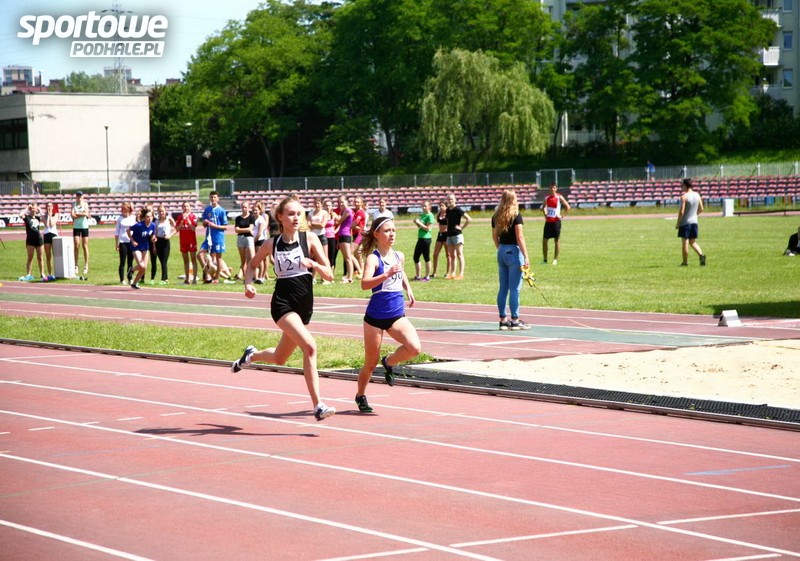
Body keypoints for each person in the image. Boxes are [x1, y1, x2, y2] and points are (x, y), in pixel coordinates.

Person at [230, 196, 336, 422]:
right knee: (310, 347)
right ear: (280, 217)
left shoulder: (310, 239)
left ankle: (251, 355)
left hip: (304, 306)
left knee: (280, 358)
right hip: (282, 304)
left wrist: (314, 264)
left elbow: (330, 275)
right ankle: (318, 405)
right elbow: (252, 265)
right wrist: (248, 283)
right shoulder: (272, 244)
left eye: (299, 213)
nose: (296, 217)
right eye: (291, 214)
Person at [354, 216, 421, 413]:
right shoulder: (373, 258)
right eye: (387, 231)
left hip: (396, 315)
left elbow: (401, 272)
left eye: (394, 230)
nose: (392, 234)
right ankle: (360, 395)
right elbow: (364, 284)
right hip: (375, 318)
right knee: (370, 363)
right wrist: (386, 274)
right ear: (376, 234)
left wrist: (408, 289)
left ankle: (389, 362)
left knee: (414, 348)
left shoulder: (399, 255)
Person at [492, 190, 532, 330]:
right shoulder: (516, 215)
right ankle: (515, 319)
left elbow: (494, 236)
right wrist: (526, 256)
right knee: (515, 288)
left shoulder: (496, 215)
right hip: (514, 251)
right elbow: (519, 237)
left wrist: (500, 248)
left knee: (503, 288)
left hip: (501, 250)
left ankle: (503, 320)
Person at [199, 191, 228, 284]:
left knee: (218, 258)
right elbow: (204, 224)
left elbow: (225, 227)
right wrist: (205, 223)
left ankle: (217, 278)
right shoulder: (207, 209)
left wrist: (214, 225)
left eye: (215, 197)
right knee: (199, 254)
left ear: (218, 198)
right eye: (211, 197)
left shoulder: (221, 211)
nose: (213, 199)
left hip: (218, 238)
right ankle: (207, 272)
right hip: (208, 238)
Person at [676, 178, 706, 267]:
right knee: (692, 242)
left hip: (685, 223)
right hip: (694, 222)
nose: (681, 187)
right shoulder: (697, 195)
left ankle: (685, 262)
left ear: (685, 185)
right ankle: (701, 255)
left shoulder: (684, 197)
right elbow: (701, 209)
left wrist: (678, 223)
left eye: (682, 185)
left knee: (685, 242)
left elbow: (681, 212)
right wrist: (694, 215)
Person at [127, 207, 156, 290]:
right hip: (136, 246)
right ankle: (131, 270)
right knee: (141, 265)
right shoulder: (139, 225)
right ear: (144, 217)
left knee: (144, 268)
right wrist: (132, 240)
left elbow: (152, 235)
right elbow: (128, 230)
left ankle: (134, 283)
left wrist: (153, 238)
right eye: (147, 217)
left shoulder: (153, 225)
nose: (149, 218)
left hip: (145, 247)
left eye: (151, 216)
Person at [541, 182, 570, 265]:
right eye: (551, 187)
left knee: (556, 240)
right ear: (549, 188)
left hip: (556, 222)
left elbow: (568, 207)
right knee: (544, 241)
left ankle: (555, 260)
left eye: (553, 187)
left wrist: (562, 216)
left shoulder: (559, 197)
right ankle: (545, 260)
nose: (552, 189)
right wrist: (545, 214)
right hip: (548, 222)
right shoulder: (546, 198)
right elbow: (543, 207)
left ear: (556, 189)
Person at [444, 192, 471, 279]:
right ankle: (452, 273)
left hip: (457, 235)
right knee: (452, 255)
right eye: (449, 199)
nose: (450, 201)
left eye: (452, 199)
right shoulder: (448, 210)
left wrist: (461, 227)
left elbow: (469, 219)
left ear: (455, 200)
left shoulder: (458, 209)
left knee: (459, 254)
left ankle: (461, 274)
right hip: (449, 235)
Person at [19, 203, 45, 282]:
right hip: (30, 240)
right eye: (32, 208)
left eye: (35, 208)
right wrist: (27, 208)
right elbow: (20, 215)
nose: (34, 210)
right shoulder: (27, 217)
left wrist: (39, 210)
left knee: (40, 258)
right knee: (30, 258)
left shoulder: (38, 217)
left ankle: (42, 273)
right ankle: (28, 274)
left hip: (38, 239)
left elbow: (44, 217)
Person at [308, 197, 330, 284]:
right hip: (313, 236)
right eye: (316, 203)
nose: (317, 205)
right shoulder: (310, 213)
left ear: (321, 204)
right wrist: (317, 224)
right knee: (314, 258)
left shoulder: (324, 213)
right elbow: (308, 224)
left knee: (324, 257)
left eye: (318, 203)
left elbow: (322, 225)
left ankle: (325, 277)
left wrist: (313, 224)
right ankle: (313, 278)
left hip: (322, 236)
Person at [176, 201, 198, 284]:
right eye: (184, 206)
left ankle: (194, 279)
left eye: (187, 206)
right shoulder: (179, 217)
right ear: (182, 208)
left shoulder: (193, 216)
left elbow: (193, 228)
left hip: (191, 240)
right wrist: (182, 221)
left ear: (190, 207)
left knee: (193, 259)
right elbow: (177, 229)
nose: (186, 208)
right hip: (183, 241)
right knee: (185, 260)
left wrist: (188, 220)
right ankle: (187, 279)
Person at [114, 201, 136, 285]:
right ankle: (122, 279)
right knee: (122, 261)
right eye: (122, 209)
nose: (123, 211)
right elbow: (117, 232)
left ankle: (130, 278)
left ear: (128, 209)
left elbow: (136, 228)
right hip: (123, 241)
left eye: (124, 209)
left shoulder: (133, 218)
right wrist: (116, 243)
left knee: (130, 261)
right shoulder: (120, 219)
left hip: (131, 241)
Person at [335, 194, 356, 283]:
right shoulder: (343, 211)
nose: (341, 204)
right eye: (339, 202)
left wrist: (334, 215)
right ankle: (348, 276)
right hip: (342, 234)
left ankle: (350, 278)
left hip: (345, 234)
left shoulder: (347, 210)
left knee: (348, 257)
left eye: (342, 202)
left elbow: (339, 222)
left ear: (347, 202)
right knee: (346, 257)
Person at [234, 201, 256, 283]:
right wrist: (246, 230)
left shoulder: (251, 217)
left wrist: (241, 229)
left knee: (252, 258)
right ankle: (246, 278)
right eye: (243, 207)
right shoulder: (238, 218)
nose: (244, 209)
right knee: (243, 260)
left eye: (245, 207)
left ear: (248, 208)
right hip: (240, 238)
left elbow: (250, 229)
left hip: (249, 238)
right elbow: (236, 230)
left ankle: (253, 276)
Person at [153, 204, 176, 284]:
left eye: (162, 211)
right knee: (161, 261)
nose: (161, 213)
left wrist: (170, 235)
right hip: (158, 241)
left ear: (165, 211)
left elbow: (176, 228)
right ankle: (164, 278)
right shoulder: (156, 221)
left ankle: (164, 279)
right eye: (159, 211)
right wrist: (154, 246)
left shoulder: (169, 219)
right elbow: (155, 234)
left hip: (165, 241)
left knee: (164, 261)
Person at [412, 200, 434, 281]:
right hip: (420, 238)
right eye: (423, 206)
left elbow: (428, 229)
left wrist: (419, 223)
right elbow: (420, 227)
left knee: (426, 257)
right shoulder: (423, 215)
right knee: (416, 257)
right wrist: (416, 223)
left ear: (429, 207)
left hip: (426, 239)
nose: (423, 207)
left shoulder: (430, 216)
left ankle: (427, 276)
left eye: (425, 206)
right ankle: (418, 276)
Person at [71, 190, 91, 276]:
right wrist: (81, 214)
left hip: (84, 227)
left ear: (82, 197)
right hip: (76, 227)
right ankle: (76, 265)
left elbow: (86, 213)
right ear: (76, 196)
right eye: (78, 196)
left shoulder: (85, 204)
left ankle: (86, 265)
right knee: (76, 246)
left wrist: (77, 214)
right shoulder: (73, 204)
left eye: (80, 196)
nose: (79, 197)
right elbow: (72, 215)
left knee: (85, 246)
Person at [252, 201, 270, 283]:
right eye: (254, 209)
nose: (255, 211)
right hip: (255, 239)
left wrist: (254, 241)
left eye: (256, 209)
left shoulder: (262, 218)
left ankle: (261, 276)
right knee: (258, 259)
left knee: (262, 259)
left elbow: (260, 231)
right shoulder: (253, 218)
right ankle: (258, 276)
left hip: (260, 240)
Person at [430, 198, 449, 279]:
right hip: (440, 234)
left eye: (442, 206)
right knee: (435, 254)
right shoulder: (439, 214)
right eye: (440, 206)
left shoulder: (448, 214)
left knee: (448, 255)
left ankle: (448, 272)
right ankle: (434, 272)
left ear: (446, 207)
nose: (441, 207)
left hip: (447, 235)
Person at [42, 201, 59, 281]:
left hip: (54, 234)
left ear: (52, 207)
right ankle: (50, 273)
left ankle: (57, 273)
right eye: (48, 206)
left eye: (50, 206)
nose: (49, 207)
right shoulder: (43, 216)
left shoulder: (56, 214)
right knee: (48, 255)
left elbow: (52, 224)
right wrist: (48, 215)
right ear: (46, 207)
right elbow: (47, 225)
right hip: (47, 235)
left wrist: (50, 215)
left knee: (56, 255)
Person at [324, 198, 339, 280]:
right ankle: (325, 275)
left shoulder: (334, 214)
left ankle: (331, 275)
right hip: (323, 237)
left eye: (329, 205)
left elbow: (340, 223)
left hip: (332, 237)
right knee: (324, 256)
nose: (328, 207)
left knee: (332, 256)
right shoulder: (322, 214)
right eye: (326, 206)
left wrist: (335, 231)